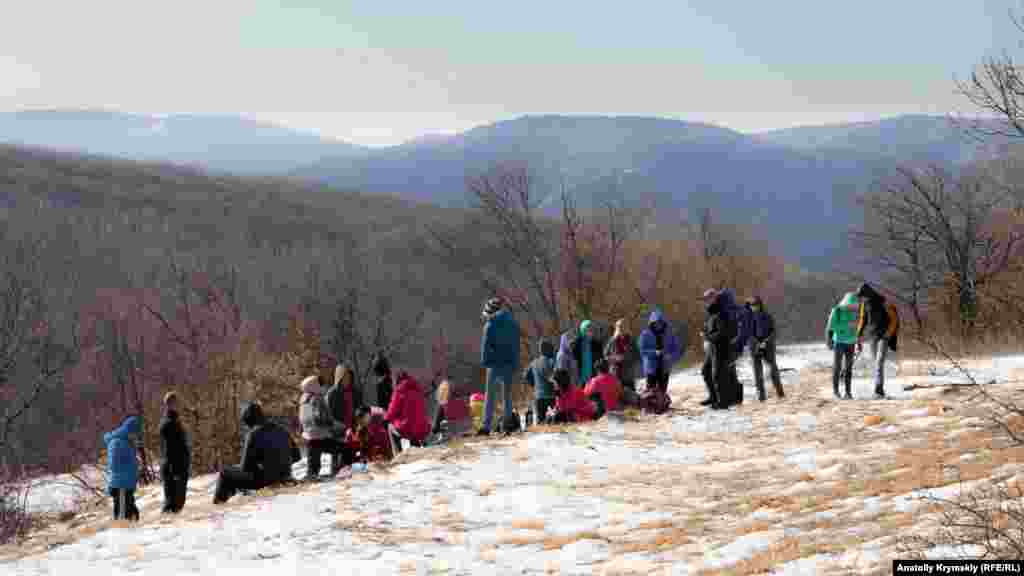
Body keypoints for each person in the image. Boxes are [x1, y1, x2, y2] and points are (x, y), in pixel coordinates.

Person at [213, 402, 298, 504]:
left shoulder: (253, 434)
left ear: (248, 421)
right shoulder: (282, 429)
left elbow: (245, 467)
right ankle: (240, 495)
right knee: (238, 472)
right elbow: (297, 456)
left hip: (267, 480)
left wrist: (263, 465)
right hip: (286, 475)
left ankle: (218, 505)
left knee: (225, 472)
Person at [478, 297, 521, 436]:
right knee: (507, 396)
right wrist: (515, 363)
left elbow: (485, 348)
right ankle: (507, 424)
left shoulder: (490, 325)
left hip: (494, 365)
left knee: (490, 396)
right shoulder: (513, 323)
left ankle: (486, 426)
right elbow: (516, 346)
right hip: (509, 363)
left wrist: (486, 362)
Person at [299, 375, 353, 480]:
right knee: (343, 448)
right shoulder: (317, 398)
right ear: (314, 385)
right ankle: (342, 470)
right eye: (320, 384)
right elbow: (322, 417)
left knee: (313, 463)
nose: (322, 386)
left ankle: (312, 475)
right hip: (320, 435)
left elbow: (303, 418)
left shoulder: (303, 400)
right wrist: (338, 426)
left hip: (309, 436)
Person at [855, 282, 898, 399]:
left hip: (883, 337)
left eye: (862, 295)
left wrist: (888, 334)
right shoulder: (865, 304)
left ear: (868, 293)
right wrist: (858, 335)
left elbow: (894, 319)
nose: (861, 298)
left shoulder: (883, 302)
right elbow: (862, 320)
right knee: (876, 364)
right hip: (872, 337)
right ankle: (878, 389)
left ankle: (878, 390)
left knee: (879, 362)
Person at [701, 289, 740, 409]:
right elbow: (713, 328)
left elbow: (722, 333)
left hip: (721, 347)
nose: (706, 301)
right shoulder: (712, 311)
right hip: (712, 347)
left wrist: (707, 336)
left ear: (715, 298)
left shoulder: (721, 312)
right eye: (705, 299)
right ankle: (713, 397)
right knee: (706, 371)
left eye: (708, 298)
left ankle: (723, 402)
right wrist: (706, 332)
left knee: (718, 375)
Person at [638, 308, 682, 414]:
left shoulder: (670, 334)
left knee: (662, 390)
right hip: (651, 367)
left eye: (660, 323)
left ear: (663, 322)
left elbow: (677, 349)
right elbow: (642, 350)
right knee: (650, 390)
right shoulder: (645, 334)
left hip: (664, 366)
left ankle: (661, 407)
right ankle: (649, 407)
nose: (658, 325)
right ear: (652, 323)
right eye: (656, 323)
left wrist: (670, 356)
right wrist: (654, 352)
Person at [104, 415, 141, 521]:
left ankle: (131, 535)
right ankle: (121, 536)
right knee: (123, 518)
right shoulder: (117, 442)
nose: (136, 436)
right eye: (135, 433)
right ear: (129, 430)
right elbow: (114, 464)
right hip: (121, 485)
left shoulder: (126, 442)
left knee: (133, 515)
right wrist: (130, 468)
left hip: (126, 484)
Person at [747, 297, 785, 402]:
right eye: (751, 305)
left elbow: (774, 331)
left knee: (773, 370)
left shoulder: (767, 316)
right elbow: (748, 333)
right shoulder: (748, 318)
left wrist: (766, 341)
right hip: (754, 348)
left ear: (760, 305)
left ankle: (780, 391)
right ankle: (761, 396)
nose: (753, 306)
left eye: (755, 304)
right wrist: (756, 343)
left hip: (768, 347)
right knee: (757, 373)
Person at [385, 369, 432, 452]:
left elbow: (391, 412)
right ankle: (417, 447)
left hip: (409, 429)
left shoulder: (399, 391)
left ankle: (398, 455)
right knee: (412, 422)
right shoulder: (418, 389)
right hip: (424, 427)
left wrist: (386, 419)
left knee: (390, 427)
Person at [159, 392, 191, 514]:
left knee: (176, 503)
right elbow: (171, 449)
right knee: (173, 503)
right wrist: (175, 468)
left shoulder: (174, 421)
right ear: (171, 404)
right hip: (174, 466)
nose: (179, 405)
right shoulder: (169, 423)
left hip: (176, 465)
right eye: (176, 402)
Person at [327, 363, 361, 473]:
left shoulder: (355, 392)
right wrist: (339, 426)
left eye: (349, 377)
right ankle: (336, 471)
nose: (347, 379)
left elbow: (360, 408)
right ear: (339, 377)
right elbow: (328, 414)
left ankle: (353, 470)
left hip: (353, 425)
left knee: (353, 452)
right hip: (338, 428)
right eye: (345, 377)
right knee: (338, 454)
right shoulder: (332, 393)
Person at [826, 292, 860, 399]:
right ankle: (836, 392)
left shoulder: (855, 312)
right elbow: (831, 326)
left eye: (854, 306)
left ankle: (848, 393)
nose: (852, 308)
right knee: (837, 367)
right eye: (851, 305)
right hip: (839, 342)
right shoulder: (837, 310)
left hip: (851, 343)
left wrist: (858, 341)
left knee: (849, 368)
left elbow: (856, 329)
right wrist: (846, 326)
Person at [605, 319, 640, 406]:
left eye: (623, 327)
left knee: (631, 396)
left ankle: (632, 410)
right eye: (619, 327)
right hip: (615, 373)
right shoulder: (612, 341)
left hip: (628, 373)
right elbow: (605, 355)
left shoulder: (631, 341)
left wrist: (626, 358)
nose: (621, 329)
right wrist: (614, 358)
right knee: (617, 395)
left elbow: (637, 356)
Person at [523, 338, 557, 424]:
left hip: (538, 396)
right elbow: (554, 377)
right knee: (554, 420)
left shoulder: (534, 362)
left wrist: (534, 384)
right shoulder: (551, 361)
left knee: (540, 421)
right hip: (551, 395)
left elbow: (525, 375)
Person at [573, 320, 605, 387]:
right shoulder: (577, 343)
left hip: (594, 374)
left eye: (592, 329)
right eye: (588, 329)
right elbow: (574, 359)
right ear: (583, 330)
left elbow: (601, 358)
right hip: (581, 375)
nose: (591, 331)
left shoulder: (597, 344)